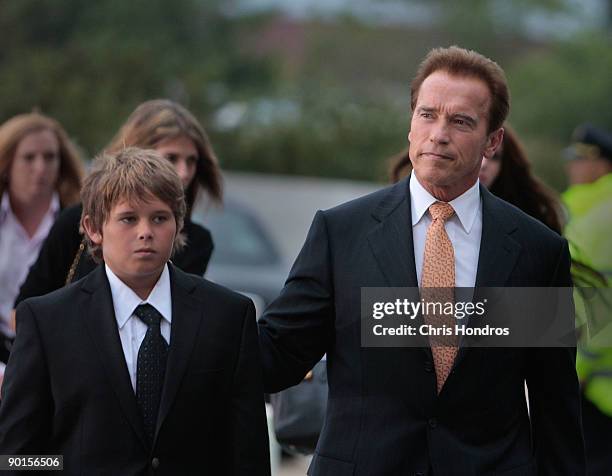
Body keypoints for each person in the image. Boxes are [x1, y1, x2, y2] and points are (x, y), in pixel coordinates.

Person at [258, 46, 585, 474]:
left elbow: (554, 401)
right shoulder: (341, 233)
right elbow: (277, 352)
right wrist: (188, 311)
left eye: (461, 121)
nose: (439, 133)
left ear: (493, 141)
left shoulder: (536, 250)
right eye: (427, 115)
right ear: (411, 124)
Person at [0, 148, 270, 475]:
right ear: (93, 228)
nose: (145, 232)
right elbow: (17, 457)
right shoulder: (48, 322)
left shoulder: (228, 316)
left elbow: (247, 454)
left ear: (178, 224)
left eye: (159, 218)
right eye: (128, 218)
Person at [14, 99, 222, 310]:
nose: (184, 172)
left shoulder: (198, 241)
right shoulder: (74, 221)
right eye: (171, 158)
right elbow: (24, 311)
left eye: (191, 161)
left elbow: (183, 321)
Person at [0, 112, 83, 382]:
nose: (40, 168)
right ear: (7, 162)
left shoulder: (82, 224)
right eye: (29, 158)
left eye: (50, 157)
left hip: (55, 357)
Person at [562, 123, 612, 476]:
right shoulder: (589, 210)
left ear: (603, 165)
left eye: (582, 161)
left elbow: (597, 303)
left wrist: (575, 368)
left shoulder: (598, 217)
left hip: (596, 385)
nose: (572, 167)